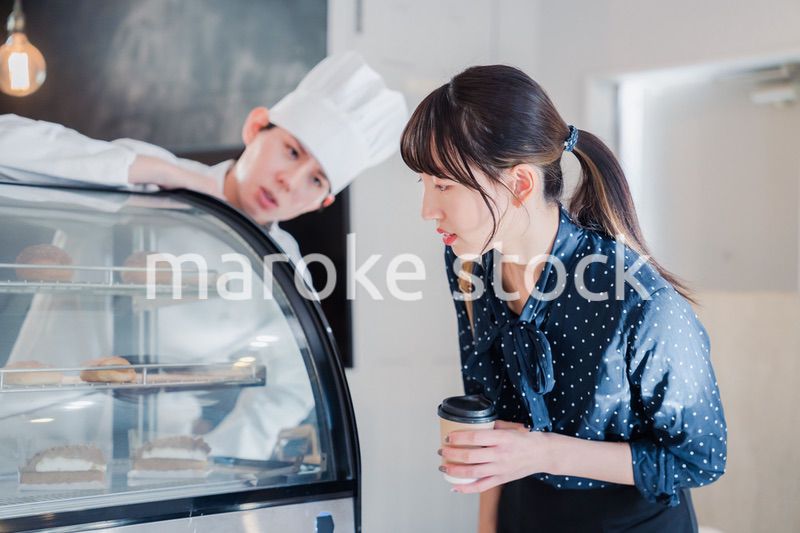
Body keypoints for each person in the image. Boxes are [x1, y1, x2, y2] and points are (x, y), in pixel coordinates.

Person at [400, 65, 727, 532]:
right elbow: (489, 421)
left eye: (444, 185)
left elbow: (700, 459)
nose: (427, 210)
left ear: (520, 184)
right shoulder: (468, 264)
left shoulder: (641, 303)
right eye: (424, 183)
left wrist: (541, 452)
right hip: (524, 515)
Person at [0, 51, 408, 266]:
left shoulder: (287, 266)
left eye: (316, 180)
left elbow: (291, 385)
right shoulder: (151, 172)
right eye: (292, 151)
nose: (290, 181)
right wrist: (149, 170)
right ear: (255, 126)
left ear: (322, 203)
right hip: (55, 395)